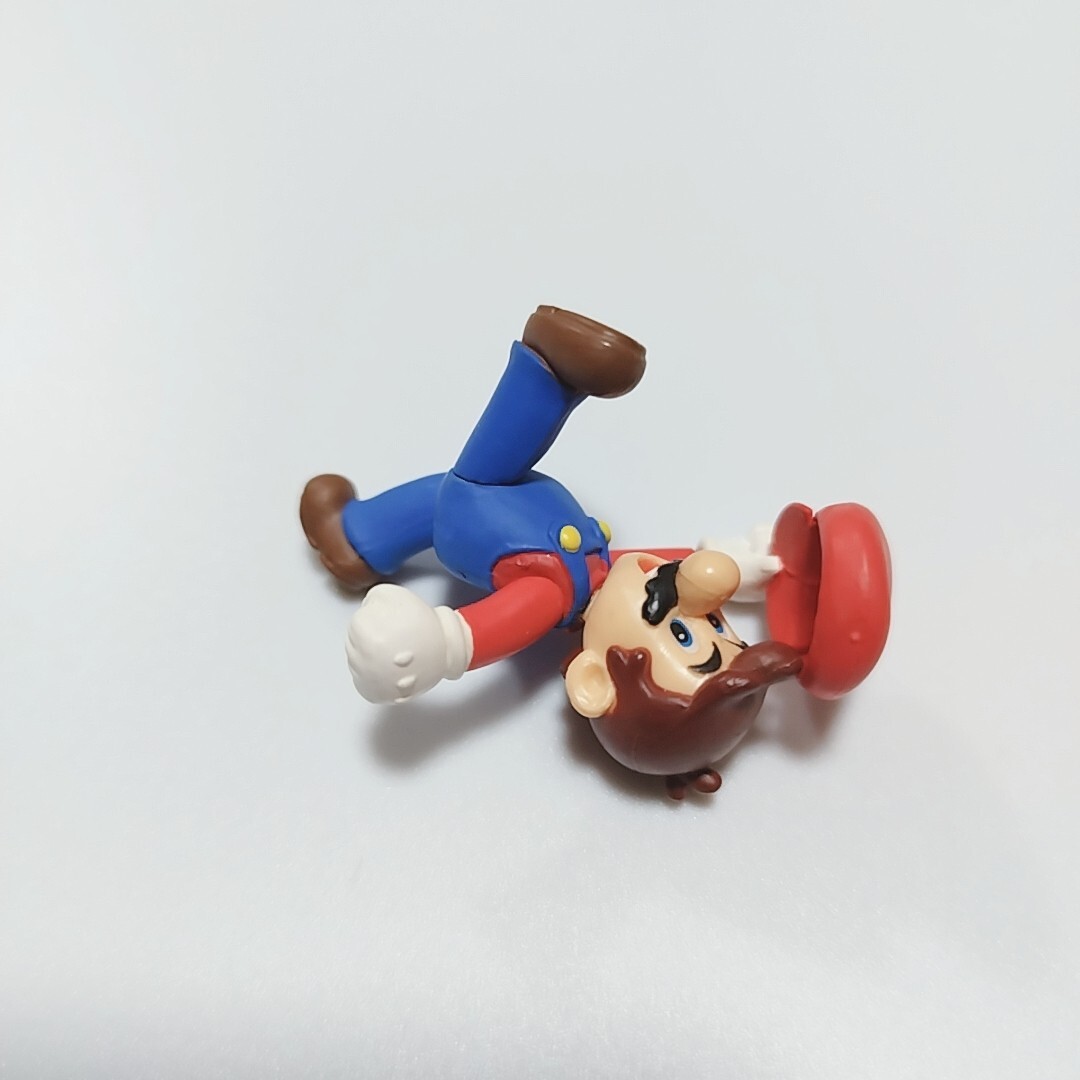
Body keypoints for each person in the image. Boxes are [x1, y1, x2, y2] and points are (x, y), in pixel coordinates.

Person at [301, 306, 801, 796]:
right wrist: (740, 565)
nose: (703, 587)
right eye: (716, 623)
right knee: (437, 496)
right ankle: (356, 537)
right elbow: (678, 564)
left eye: (681, 634)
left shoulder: (549, 597)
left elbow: (481, 631)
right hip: (511, 505)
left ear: (593, 680)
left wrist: (426, 651)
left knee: (469, 482)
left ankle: (547, 376)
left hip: (479, 515)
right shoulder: (613, 576)